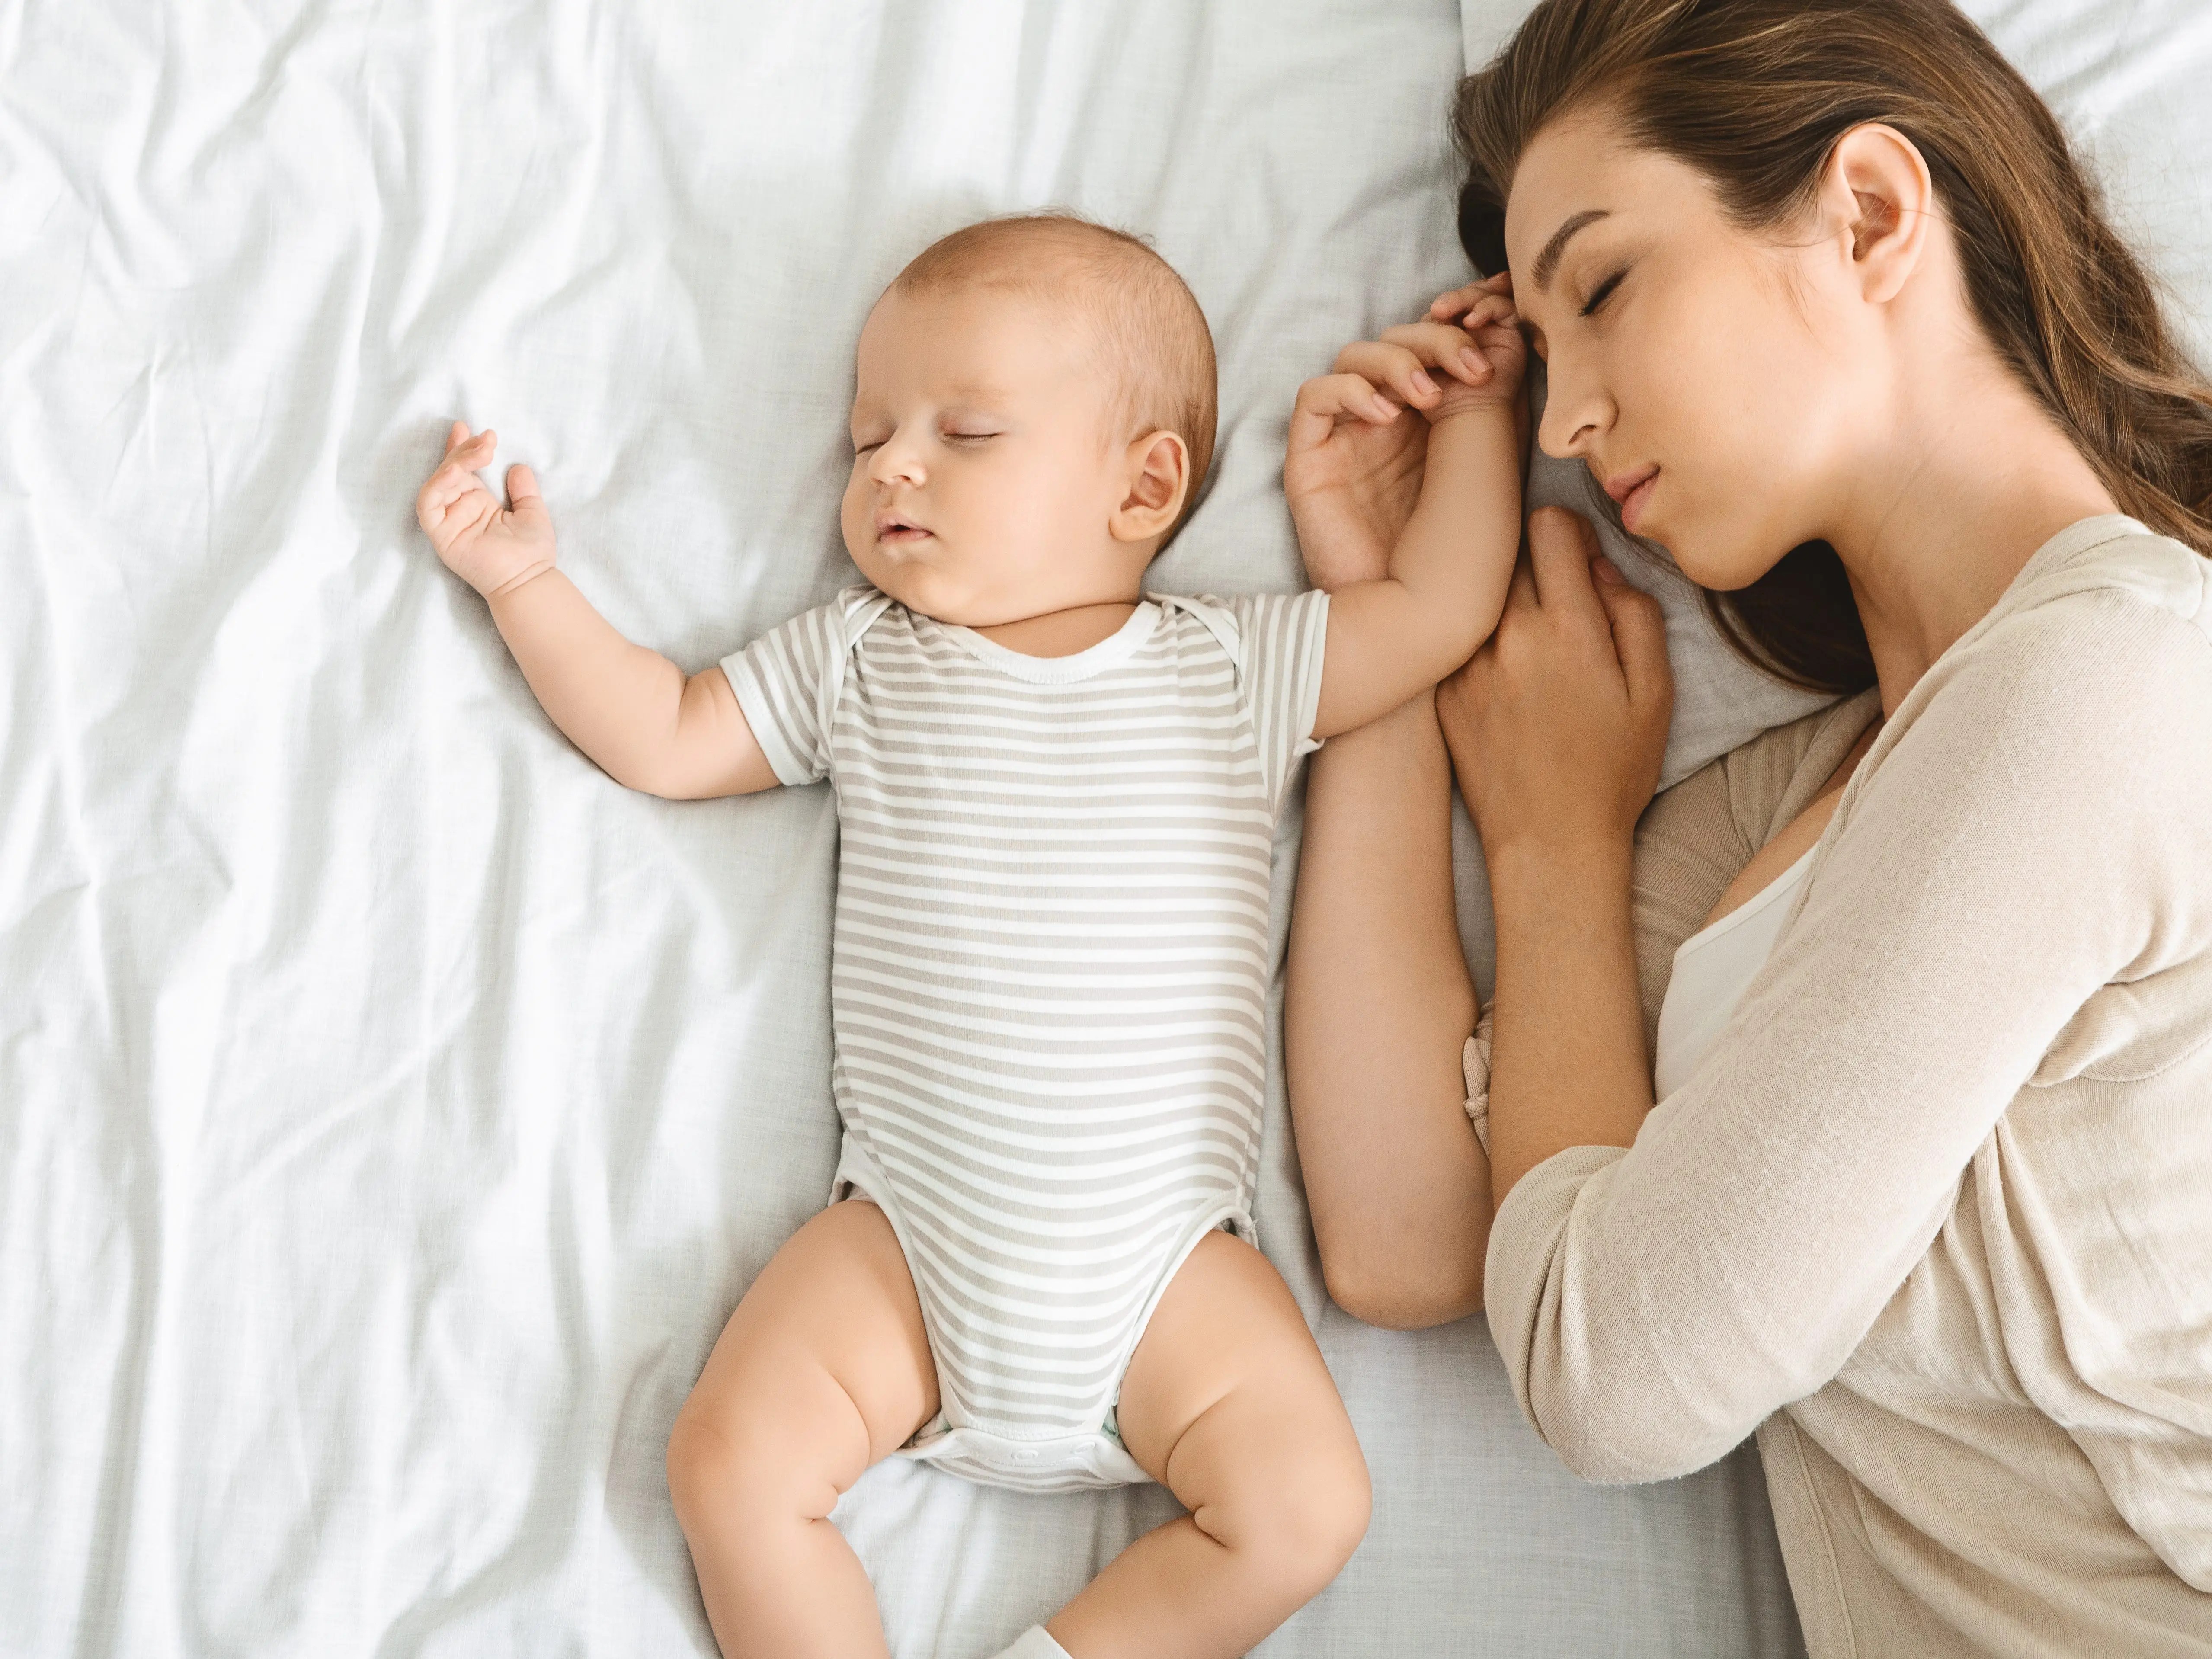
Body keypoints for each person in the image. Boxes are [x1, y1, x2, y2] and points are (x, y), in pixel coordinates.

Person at [412, 212, 1531, 1659]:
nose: (891, 466)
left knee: (1304, 1506)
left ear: (1143, 485)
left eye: (966, 431)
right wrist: (524, 583)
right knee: (730, 1466)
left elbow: (1436, 609)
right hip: (906, 1251)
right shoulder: (862, 660)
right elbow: (669, 736)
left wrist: (1486, 417)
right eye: (868, 436)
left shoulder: (1234, 662)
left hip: (1164, 1274)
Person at [1282, 1, 2212, 1654]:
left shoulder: (2123, 673)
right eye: (1541, 350)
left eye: (1605, 286)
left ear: (1865, 213)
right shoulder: (1788, 813)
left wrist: (1560, 865)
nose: (1562, 419)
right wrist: (1378, 624)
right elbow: (1416, 1224)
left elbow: (1613, 1372)